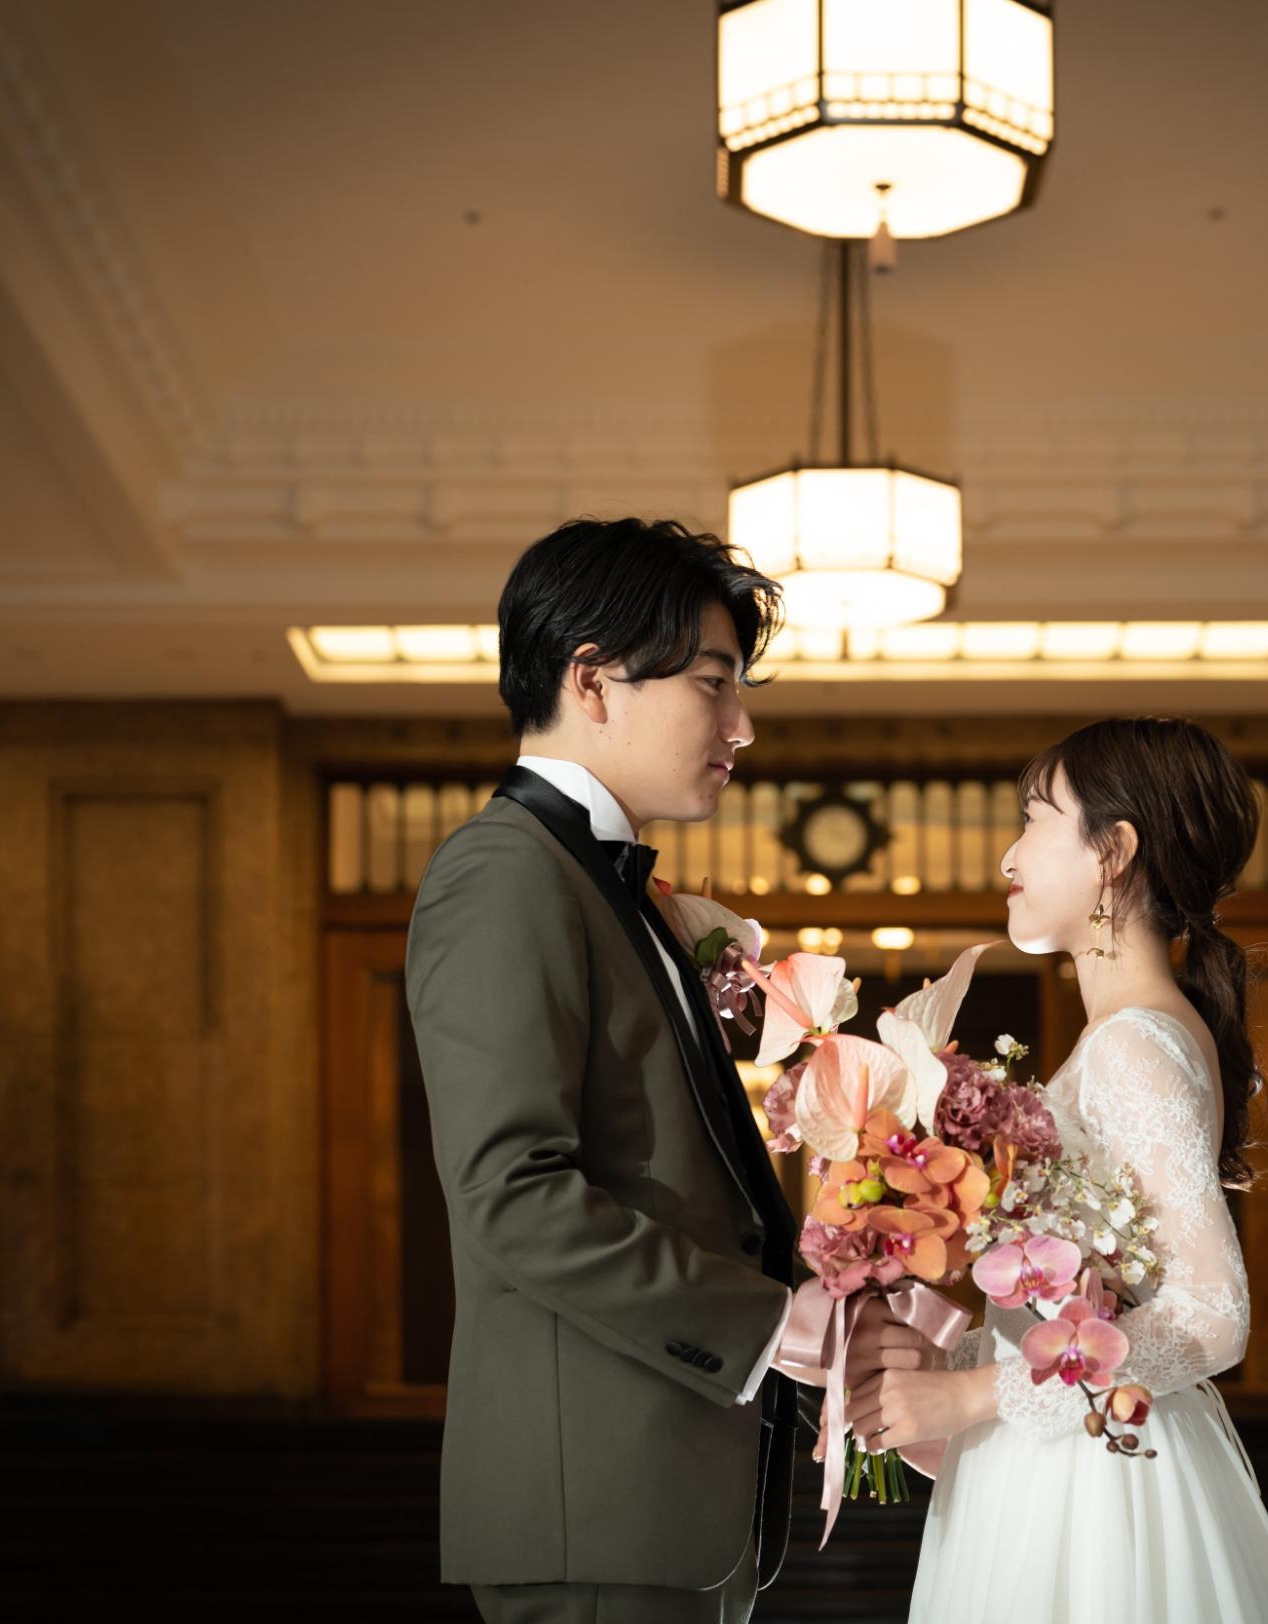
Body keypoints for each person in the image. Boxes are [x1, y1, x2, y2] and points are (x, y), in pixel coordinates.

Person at [408, 516, 874, 1624]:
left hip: (659, 1497)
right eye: (714, 682)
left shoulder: (616, 889)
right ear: (593, 680)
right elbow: (511, 1195)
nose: (741, 724)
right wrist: (770, 1323)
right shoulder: (505, 874)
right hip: (596, 1497)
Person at [840, 717, 1268, 1622]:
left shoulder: (1134, 1046)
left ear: (1114, 851)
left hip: (1094, 1487)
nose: (1008, 856)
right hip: (1070, 1449)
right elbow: (1095, 1303)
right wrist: (946, 1356)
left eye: (1034, 820)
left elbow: (1212, 1316)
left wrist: (971, 1392)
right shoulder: (1127, 1036)